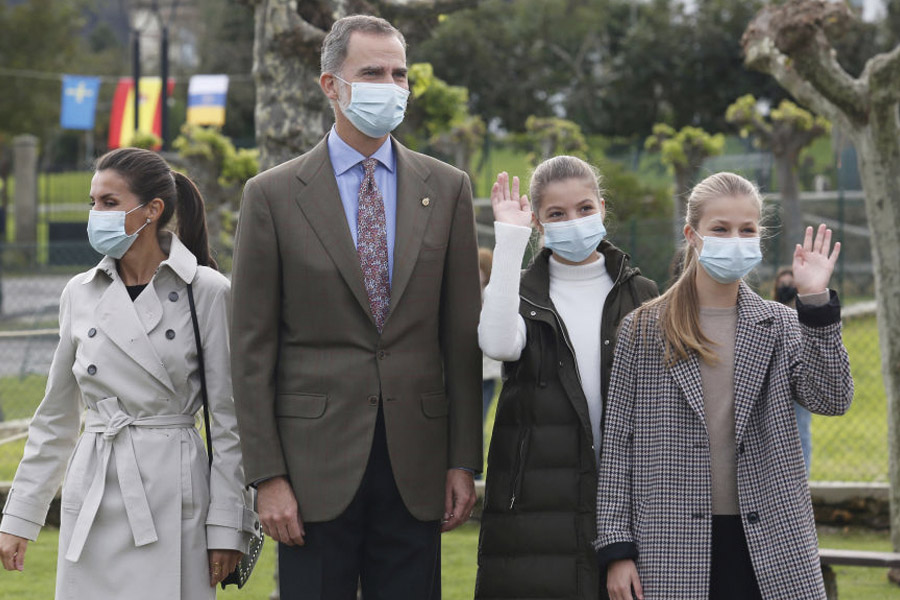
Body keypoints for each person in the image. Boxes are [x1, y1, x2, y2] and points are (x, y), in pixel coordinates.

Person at [229, 14, 482, 600]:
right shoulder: (270, 195)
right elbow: (250, 350)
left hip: (417, 464)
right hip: (311, 469)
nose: (390, 86)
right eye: (372, 72)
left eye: (400, 74)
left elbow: (460, 339)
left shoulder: (447, 189)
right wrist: (267, 478)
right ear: (329, 85)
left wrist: (463, 461)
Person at [0, 148, 256, 598]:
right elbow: (55, 419)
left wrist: (227, 524)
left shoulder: (208, 291)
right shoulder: (77, 294)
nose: (95, 213)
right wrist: (20, 516)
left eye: (110, 203)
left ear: (153, 210)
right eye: (92, 202)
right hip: (94, 491)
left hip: (174, 494)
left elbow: (231, 421)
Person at [596, 172, 852, 600]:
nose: (735, 239)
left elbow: (832, 398)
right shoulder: (642, 329)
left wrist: (816, 304)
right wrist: (617, 549)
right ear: (691, 234)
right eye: (721, 228)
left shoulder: (783, 324)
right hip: (672, 543)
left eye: (746, 229)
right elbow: (618, 444)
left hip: (771, 540)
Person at [475, 158, 658, 600]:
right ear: (538, 222)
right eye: (556, 214)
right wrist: (508, 242)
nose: (573, 222)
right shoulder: (516, 290)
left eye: (584, 208)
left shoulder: (643, 294)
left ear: (602, 209)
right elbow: (498, 343)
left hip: (623, 498)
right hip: (534, 503)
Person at [773, 266, 813, 475]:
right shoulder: (770, 314)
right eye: (783, 284)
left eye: (791, 283)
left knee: (800, 430)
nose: (786, 287)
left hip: (798, 379)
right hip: (776, 382)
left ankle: (802, 477)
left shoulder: (804, 314)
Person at [479, 247, 502, 425]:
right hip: (467, 367)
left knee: (480, 416)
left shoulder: (493, 295)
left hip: (486, 370)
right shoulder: (462, 293)